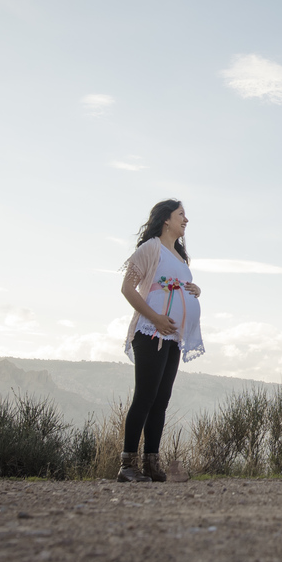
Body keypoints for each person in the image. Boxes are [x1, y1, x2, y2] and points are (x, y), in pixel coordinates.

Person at [117, 199, 205, 483]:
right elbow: (127, 288)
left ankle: (151, 463)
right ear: (166, 220)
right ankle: (127, 466)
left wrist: (194, 290)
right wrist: (155, 318)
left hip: (173, 338)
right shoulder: (150, 248)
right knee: (145, 397)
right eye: (181, 215)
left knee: (161, 400)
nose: (186, 220)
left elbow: (177, 288)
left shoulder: (179, 257)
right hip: (150, 333)